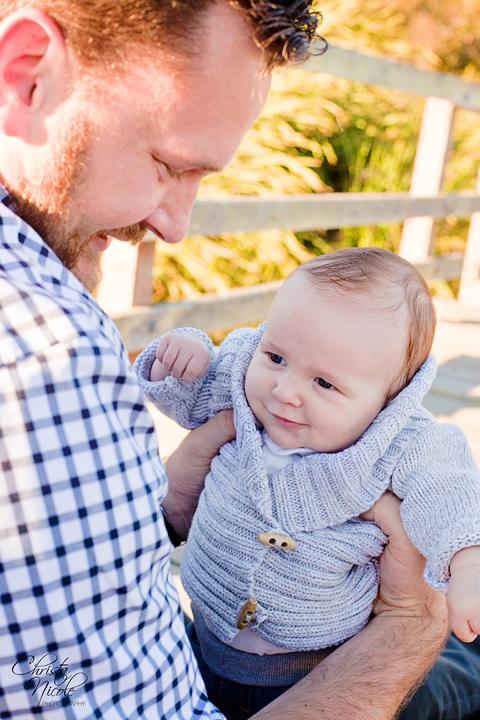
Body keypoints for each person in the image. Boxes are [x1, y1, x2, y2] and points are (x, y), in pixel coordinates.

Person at [0, 0, 452, 717]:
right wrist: (409, 624)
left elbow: (45, 655)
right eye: (168, 164)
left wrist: (157, 508)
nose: (176, 226)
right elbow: (69, 686)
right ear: (26, 76)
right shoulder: (45, 356)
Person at [134, 247, 480, 719]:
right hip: (202, 641)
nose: (285, 391)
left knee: (428, 698)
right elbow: (189, 397)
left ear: (390, 400)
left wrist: (468, 560)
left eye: (324, 384)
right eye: (276, 356)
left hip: (320, 670)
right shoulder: (244, 378)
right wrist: (179, 360)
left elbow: (448, 490)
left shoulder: (401, 440)